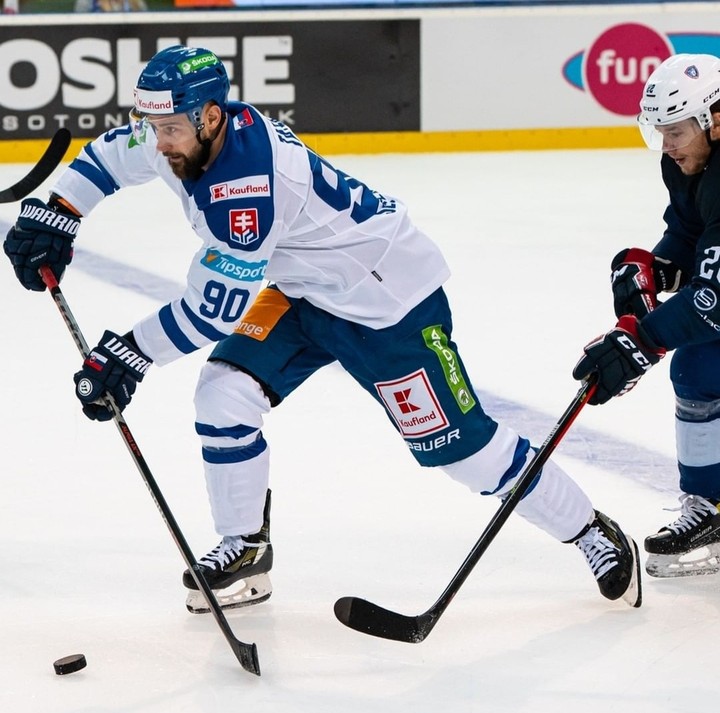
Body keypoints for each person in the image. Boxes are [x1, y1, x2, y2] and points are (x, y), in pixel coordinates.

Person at [4, 45, 642, 612]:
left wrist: (129, 354)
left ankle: (589, 531)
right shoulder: (183, 130)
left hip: (387, 303)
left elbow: (213, 310)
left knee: (461, 451)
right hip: (306, 293)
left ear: (211, 117)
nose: (158, 141)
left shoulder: (246, 188)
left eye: (169, 129)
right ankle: (245, 548)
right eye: (153, 125)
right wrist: (59, 211)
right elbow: (110, 156)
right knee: (224, 393)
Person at [573, 53, 720, 579]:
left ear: (715, 119)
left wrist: (643, 339)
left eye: (676, 131)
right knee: (698, 371)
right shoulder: (687, 162)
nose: (667, 145)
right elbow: (691, 232)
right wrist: (655, 269)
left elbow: (714, 300)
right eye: (660, 132)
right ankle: (711, 509)